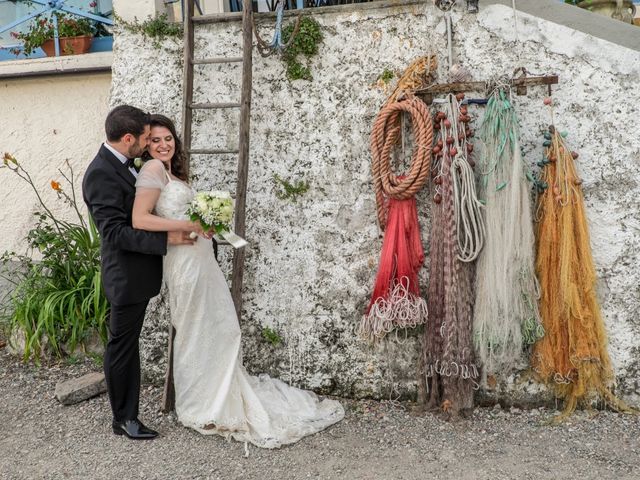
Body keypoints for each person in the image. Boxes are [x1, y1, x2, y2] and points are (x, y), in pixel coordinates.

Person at [132, 114, 344, 448]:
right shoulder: (152, 170)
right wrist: (186, 225)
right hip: (183, 260)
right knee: (194, 329)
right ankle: (201, 405)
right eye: (155, 140)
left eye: (168, 138)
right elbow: (140, 219)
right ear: (146, 145)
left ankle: (222, 391)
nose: (163, 145)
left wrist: (206, 223)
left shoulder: (173, 173)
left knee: (221, 326)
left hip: (202, 258)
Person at [82, 105, 201, 440]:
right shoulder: (100, 174)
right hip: (125, 276)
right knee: (122, 345)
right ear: (129, 138)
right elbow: (115, 233)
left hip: (139, 273)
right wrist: (167, 237)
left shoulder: (123, 163)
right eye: (147, 138)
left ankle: (125, 414)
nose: (151, 144)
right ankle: (124, 419)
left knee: (126, 342)